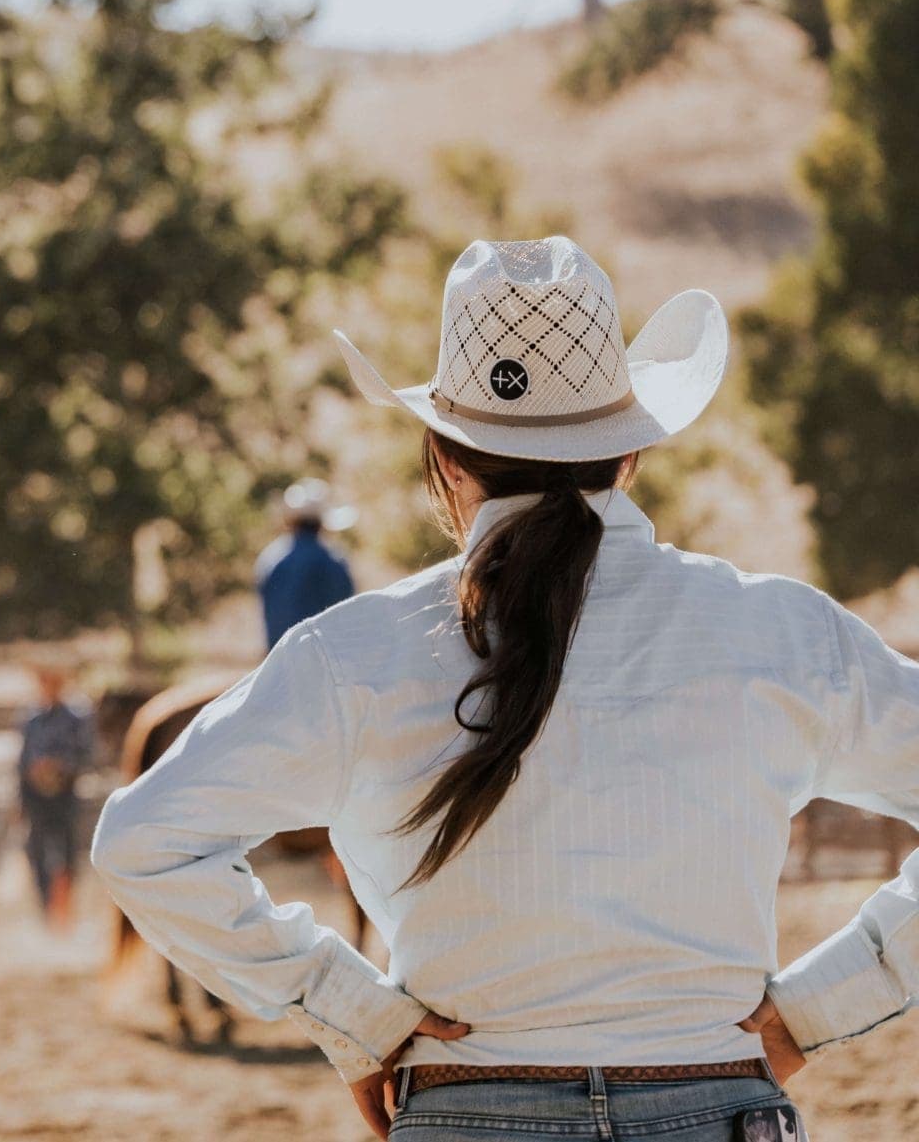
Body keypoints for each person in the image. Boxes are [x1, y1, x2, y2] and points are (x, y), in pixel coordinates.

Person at [95, 237, 910, 1141]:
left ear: (444, 459)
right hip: (713, 1102)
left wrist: (351, 1012)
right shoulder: (783, 631)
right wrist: (819, 1004)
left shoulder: (351, 651)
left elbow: (143, 842)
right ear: (629, 454)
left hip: (465, 1109)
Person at [16, 659, 100, 931]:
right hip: (35, 794)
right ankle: (46, 911)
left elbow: (87, 753)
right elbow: (22, 760)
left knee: (67, 851)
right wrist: (20, 796)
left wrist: (60, 767)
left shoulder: (77, 716)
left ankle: (66, 909)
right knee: (36, 851)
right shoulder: (31, 718)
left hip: (65, 793)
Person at [256, 478, 357, 650]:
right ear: (321, 523)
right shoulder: (333, 560)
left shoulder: (270, 558)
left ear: (291, 521)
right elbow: (345, 611)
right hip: (322, 659)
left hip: (278, 659)